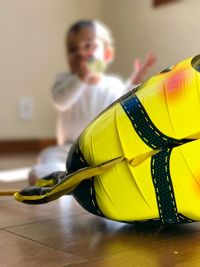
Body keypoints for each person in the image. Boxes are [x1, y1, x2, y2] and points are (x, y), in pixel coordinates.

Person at [28, 19, 156, 185]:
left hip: (102, 149)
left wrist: (135, 81)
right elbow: (60, 101)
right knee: (47, 155)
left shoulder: (113, 84)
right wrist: (82, 77)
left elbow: (123, 104)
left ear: (107, 54)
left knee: (124, 157)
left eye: (88, 46)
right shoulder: (64, 81)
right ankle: (56, 179)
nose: (80, 53)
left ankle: (94, 180)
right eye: (73, 49)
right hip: (69, 149)